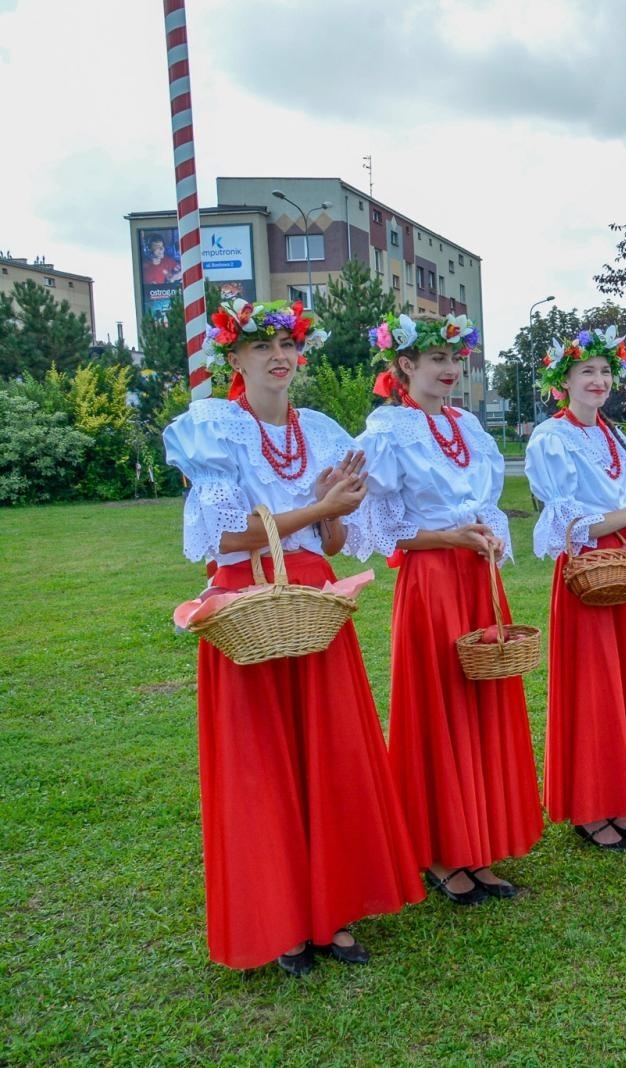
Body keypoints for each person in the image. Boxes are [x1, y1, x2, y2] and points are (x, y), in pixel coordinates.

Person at [163, 298, 420, 977]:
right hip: (250, 601)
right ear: (235, 359)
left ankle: (331, 908)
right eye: (262, 347)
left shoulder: (323, 431)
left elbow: (332, 539)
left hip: (313, 601)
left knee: (328, 754)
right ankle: (280, 921)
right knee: (264, 765)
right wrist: (319, 505)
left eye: (287, 346)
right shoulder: (215, 428)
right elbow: (227, 537)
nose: (279, 358)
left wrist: (338, 507)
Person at [355, 313, 543, 899]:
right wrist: (449, 537)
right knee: (439, 706)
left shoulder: (468, 426)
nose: (449, 369)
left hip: (476, 576)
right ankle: (440, 853)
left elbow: (485, 504)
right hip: (433, 581)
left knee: (483, 701)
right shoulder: (388, 429)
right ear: (405, 364)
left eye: (455, 359)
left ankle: (478, 844)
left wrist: (487, 535)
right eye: (437, 358)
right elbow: (384, 528)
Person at [524, 327, 626, 851]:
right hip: (587, 573)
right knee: (595, 686)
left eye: (605, 371)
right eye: (586, 371)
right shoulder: (551, 437)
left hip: (625, 566)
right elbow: (568, 521)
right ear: (563, 381)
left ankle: (620, 795)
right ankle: (592, 807)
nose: (599, 380)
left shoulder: (615, 436)